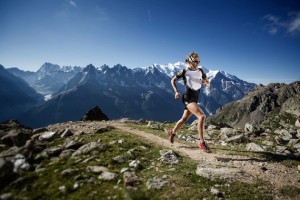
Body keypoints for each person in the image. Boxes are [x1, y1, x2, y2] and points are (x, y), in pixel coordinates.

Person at [167, 51, 212, 153]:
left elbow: (208, 84)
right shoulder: (183, 72)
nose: (197, 63)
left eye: (198, 61)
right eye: (195, 61)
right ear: (190, 61)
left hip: (195, 99)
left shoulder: (201, 71)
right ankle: (201, 142)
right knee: (202, 116)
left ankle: (172, 132)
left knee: (184, 119)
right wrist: (176, 92)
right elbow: (172, 80)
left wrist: (205, 83)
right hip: (187, 98)